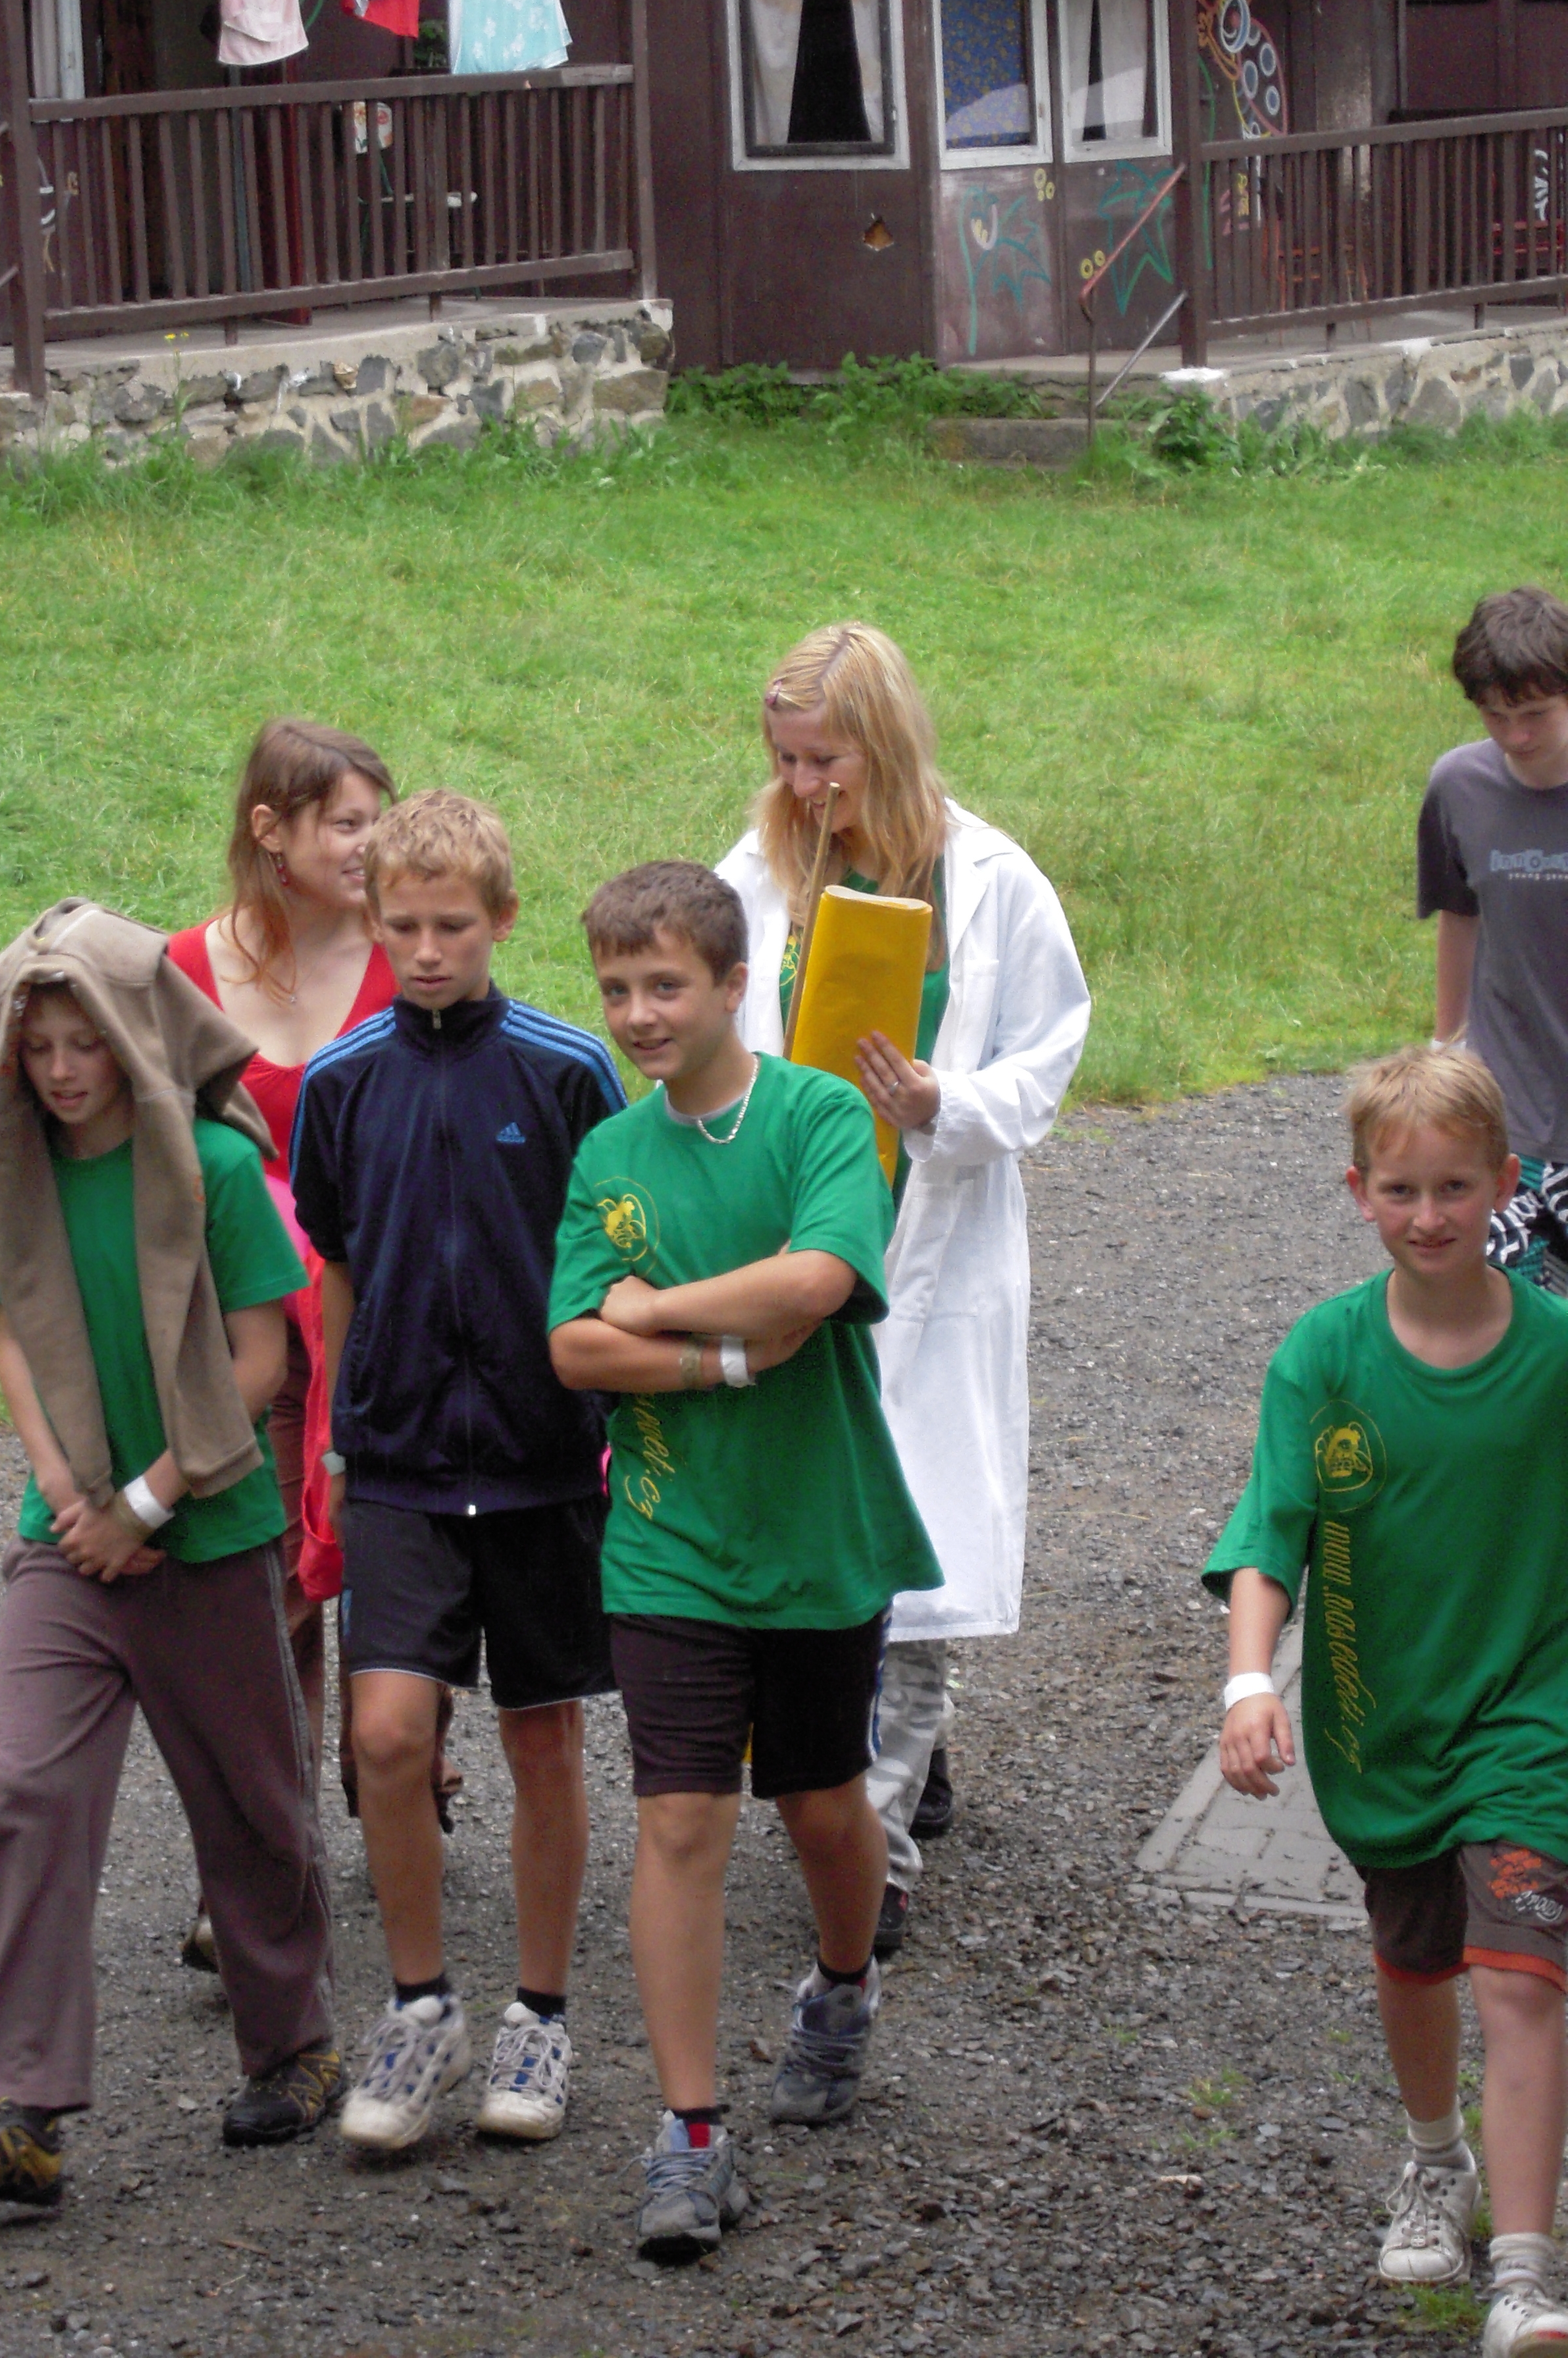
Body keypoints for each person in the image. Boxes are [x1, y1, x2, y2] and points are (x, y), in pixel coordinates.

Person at [0, 901, 337, 2209]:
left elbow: (260, 1359)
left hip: (204, 1533)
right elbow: (16, 1335)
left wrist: (144, 1502)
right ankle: (19, 2115)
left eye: (84, 1044)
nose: (60, 1071)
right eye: (37, 1048)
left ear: (136, 1038)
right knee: (25, 1793)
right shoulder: (9, 1170)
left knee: (250, 1806)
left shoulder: (210, 1165)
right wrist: (64, 1491)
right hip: (70, 1544)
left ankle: (297, 2048)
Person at [548, 860, 941, 2259]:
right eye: (616, 989)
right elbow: (572, 1345)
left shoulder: (820, 1114)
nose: (638, 1014)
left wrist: (652, 1307)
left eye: (665, 985)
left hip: (820, 1533)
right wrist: (721, 1355)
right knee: (679, 1820)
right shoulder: (609, 1154)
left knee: (823, 1807)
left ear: (731, 986)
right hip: (668, 1543)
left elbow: (818, 1279)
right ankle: (690, 2136)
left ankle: (841, 1983)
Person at [715, 622, 1088, 1956]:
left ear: (887, 744)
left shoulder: (991, 885)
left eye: (827, 760)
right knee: (809, 1539)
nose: (805, 787)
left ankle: (877, 1846)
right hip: (801, 1243)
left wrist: (947, 1102)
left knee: (917, 1550)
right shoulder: (759, 874)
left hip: (933, 1245)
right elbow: (708, 1026)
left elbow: (1048, 1051)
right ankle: (880, 1766)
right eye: (786, 760)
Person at [1212, 1046, 1568, 2358]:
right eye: (1403, 1190)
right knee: (1416, 1958)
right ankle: (1435, 2157)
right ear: (1359, 1191)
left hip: (1534, 1718)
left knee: (1522, 1975)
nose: (1429, 1216)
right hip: (1383, 1726)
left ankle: (1525, 2274)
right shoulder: (1325, 1355)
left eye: (1455, 1187)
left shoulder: (1558, 1355)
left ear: (1506, 1184)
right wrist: (1251, 1679)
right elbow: (1272, 1531)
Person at [290, 788, 623, 2151]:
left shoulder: (569, 1070)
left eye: (453, 927)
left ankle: (538, 2016)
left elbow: (614, 1255)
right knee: (385, 1733)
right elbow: (336, 1266)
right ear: (372, 920)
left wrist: (610, 1421)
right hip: (400, 1458)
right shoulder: (341, 1082)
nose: (426, 951)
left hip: (544, 1464)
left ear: (503, 920)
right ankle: (419, 2007)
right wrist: (333, 1435)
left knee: (542, 1736)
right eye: (404, 926)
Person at [167, 721, 442, 1974]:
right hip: (248, 1344)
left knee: (399, 1579)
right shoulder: (180, 971)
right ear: (269, 829)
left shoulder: (414, 955)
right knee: (264, 1597)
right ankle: (261, 1876)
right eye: (346, 823)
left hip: (394, 1339)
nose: (371, 847)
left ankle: (401, 1779)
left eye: (377, 821)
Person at [1419, 585, 1568, 1294]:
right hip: (1507, 1111)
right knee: (1505, 1320)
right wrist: (1446, 1046)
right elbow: (1460, 914)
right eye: (1495, 715)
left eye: (1535, 714)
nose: (1516, 736)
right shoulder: (1458, 787)